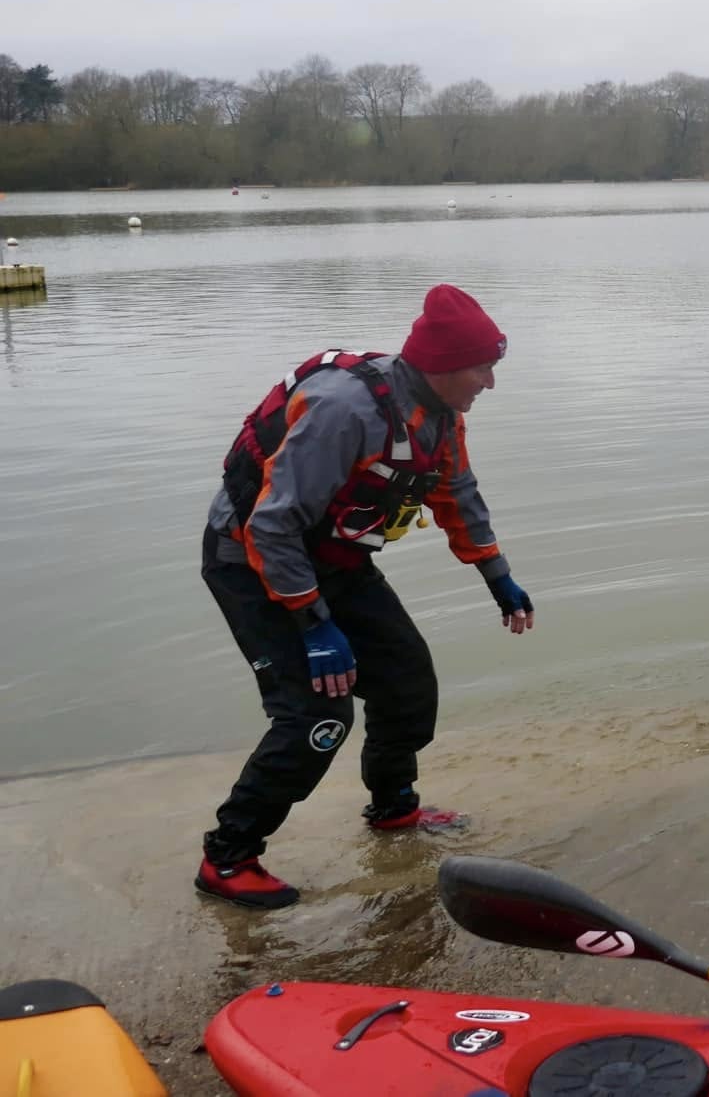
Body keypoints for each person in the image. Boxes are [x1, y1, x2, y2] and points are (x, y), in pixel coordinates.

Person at [194, 284, 536, 909]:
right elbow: (272, 524)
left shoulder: (440, 416)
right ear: (440, 365)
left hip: (337, 562)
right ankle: (229, 857)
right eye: (482, 368)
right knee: (317, 717)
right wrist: (314, 627)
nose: (489, 382)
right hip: (251, 560)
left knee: (407, 681)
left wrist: (497, 576)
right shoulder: (343, 409)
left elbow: (456, 494)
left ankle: (393, 808)